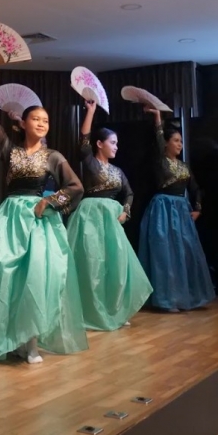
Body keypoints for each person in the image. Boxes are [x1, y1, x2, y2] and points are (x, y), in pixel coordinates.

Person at [0, 63, 87, 365]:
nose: (42, 123)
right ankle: (7, 339)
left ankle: (31, 342)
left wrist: (50, 201)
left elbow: (76, 186)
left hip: (38, 220)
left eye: (46, 120)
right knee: (4, 278)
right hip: (9, 218)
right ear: (23, 123)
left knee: (36, 279)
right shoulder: (10, 150)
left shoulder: (53, 156)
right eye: (36, 118)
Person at [66, 100, 152, 330]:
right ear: (99, 144)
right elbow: (83, 141)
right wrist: (91, 111)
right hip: (90, 218)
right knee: (91, 265)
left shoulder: (118, 171)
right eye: (112, 143)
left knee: (116, 265)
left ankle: (115, 310)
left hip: (112, 220)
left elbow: (129, 193)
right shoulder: (90, 162)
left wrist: (125, 211)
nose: (116, 147)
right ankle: (89, 312)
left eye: (117, 143)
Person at [138, 107, 215, 312]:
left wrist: (197, 208)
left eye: (181, 141)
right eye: (176, 141)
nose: (180, 144)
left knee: (185, 253)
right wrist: (158, 118)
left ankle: (187, 297)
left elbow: (195, 188)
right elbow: (157, 138)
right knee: (165, 254)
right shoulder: (160, 161)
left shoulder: (184, 166)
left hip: (181, 211)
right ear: (166, 143)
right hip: (162, 210)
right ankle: (167, 299)